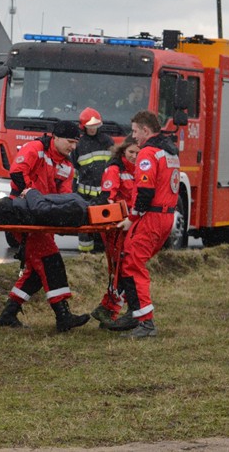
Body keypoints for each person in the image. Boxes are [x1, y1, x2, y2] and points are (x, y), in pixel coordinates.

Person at [0, 120, 91, 332]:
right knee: (50, 261)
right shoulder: (36, 148)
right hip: (24, 214)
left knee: (38, 270)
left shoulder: (66, 166)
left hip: (42, 217)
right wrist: (30, 197)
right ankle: (63, 316)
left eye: (76, 143)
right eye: (70, 142)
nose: (73, 147)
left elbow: (64, 196)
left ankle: (9, 313)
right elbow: (18, 172)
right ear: (55, 137)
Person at [104, 111, 179, 338]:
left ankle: (145, 322)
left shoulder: (148, 153)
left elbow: (146, 190)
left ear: (146, 130)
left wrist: (132, 218)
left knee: (132, 263)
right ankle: (135, 313)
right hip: (165, 216)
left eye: (135, 131)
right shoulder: (170, 152)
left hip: (152, 216)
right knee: (129, 259)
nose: (133, 136)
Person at [89, 137, 139, 326]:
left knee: (125, 268)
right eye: (131, 152)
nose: (134, 156)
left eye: (137, 153)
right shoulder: (115, 169)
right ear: (123, 151)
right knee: (121, 269)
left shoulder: (139, 171)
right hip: (118, 227)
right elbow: (107, 198)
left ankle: (109, 310)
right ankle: (109, 309)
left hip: (131, 225)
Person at [71, 107, 113, 253]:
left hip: (103, 194)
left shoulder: (107, 141)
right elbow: (74, 171)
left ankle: (102, 254)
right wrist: (74, 192)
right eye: (90, 127)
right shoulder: (79, 145)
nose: (93, 129)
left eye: (96, 126)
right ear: (84, 127)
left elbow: (113, 167)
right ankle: (85, 256)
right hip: (85, 194)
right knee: (85, 226)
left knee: (103, 225)